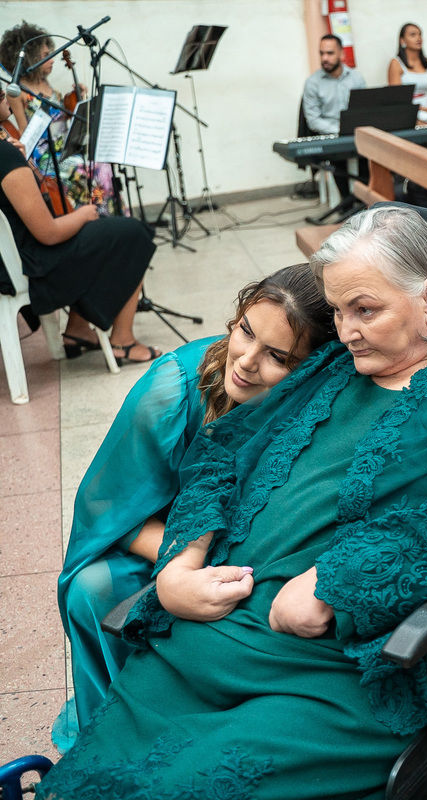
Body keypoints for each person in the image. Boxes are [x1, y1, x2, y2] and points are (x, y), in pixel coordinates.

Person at [34, 206, 427, 800]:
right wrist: (181, 562)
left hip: (340, 667)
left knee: (187, 786)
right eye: (337, 311)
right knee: (84, 784)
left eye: (366, 310)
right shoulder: (332, 367)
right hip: (212, 638)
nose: (347, 329)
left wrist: (336, 583)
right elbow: (221, 454)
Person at [54, 265, 337, 748]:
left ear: (312, 368)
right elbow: (111, 510)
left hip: (257, 563)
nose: (245, 361)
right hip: (164, 550)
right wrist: (186, 565)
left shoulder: (321, 402)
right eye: (245, 330)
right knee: (91, 587)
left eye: (277, 357)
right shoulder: (173, 391)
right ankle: (116, 728)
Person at [0, 123, 158, 364]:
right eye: (2, 95)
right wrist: (83, 214)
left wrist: (25, 162)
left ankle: (78, 329)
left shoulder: (8, 152)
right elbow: (48, 233)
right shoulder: (4, 154)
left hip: (14, 261)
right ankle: (123, 340)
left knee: (104, 233)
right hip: (35, 265)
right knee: (134, 233)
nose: (7, 100)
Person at [0, 22, 120, 215]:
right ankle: (92, 217)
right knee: (85, 169)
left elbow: (62, 119)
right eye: (45, 55)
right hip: (46, 159)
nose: (52, 59)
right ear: (30, 58)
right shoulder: (18, 91)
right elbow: (23, 132)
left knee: (103, 165)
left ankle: (108, 217)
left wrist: (74, 101)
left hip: (67, 150)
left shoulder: (45, 82)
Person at [302, 34, 366, 203]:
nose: (325, 58)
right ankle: (346, 204)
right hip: (331, 135)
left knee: (371, 154)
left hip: (355, 132)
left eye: (330, 53)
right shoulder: (313, 82)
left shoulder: (356, 78)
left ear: (341, 54)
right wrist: (339, 130)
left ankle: (364, 202)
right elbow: (313, 120)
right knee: (339, 158)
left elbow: (364, 110)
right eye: (321, 53)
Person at [387, 23, 427, 124]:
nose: (418, 38)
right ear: (402, 40)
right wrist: (426, 110)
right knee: (426, 122)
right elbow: (397, 100)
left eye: (420, 34)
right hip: (410, 110)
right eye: (413, 35)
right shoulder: (396, 63)